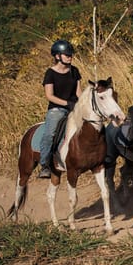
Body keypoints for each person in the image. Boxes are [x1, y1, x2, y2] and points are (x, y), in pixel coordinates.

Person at [39, 39, 82, 178]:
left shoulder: (74, 71)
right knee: (49, 134)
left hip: (75, 107)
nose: (70, 56)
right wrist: (66, 104)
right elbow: (49, 95)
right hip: (57, 109)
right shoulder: (50, 73)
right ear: (57, 56)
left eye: (71, 54)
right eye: (67, 54)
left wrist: (83, 104)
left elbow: (78, 92)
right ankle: (45, 164)